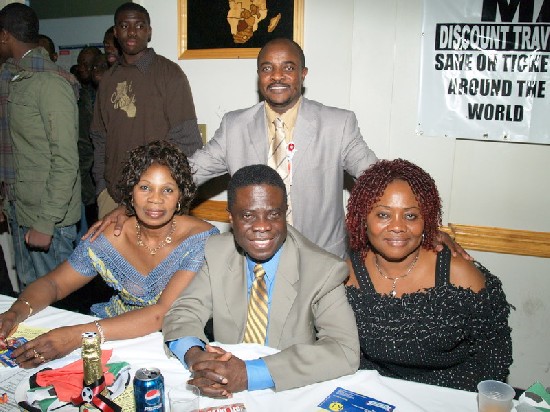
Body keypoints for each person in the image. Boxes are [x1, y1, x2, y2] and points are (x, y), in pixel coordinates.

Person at [0, 141, 218, 368]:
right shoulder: (109, 238)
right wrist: (15, 312)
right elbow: (55, 283)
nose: (155, 199)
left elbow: (161, 313)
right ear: (130, 195)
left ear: (180, 196)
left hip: (175, 342)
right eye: (145, 187)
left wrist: (75, 336)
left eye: (167, 190)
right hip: (109, 331)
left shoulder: (199, 239)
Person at [163, 164, 359, 398]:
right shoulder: (217, 252)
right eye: (247, 215)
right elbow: (184, 312)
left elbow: (343, 350)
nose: (262, 226)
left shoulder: (322, 270)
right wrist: (196, 357)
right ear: (230, 217)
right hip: (223, 388)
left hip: (286, 391)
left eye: (273, 214)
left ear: (285, 212)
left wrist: (249, 374)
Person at [345, 159, 513, 392]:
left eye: (411, 216)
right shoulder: (348, 276)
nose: (398, 227)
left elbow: (494, 356)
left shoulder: (459, 275)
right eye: (383, 215)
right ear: (363, 219)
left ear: (427, 220)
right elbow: (343, 351)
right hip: (379, 393)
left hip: (452, 395)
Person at [91, 2, 203, 219]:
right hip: (113, 198)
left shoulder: (169, 74)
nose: (132, 32)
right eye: (124, 26)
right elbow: (99, 139)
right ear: (115, 32)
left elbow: (187, 142)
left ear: (149, 31)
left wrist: (170, 193)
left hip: (157, 200)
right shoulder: (108, 80)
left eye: (139, 26)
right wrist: (101, 189)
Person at [0, 3, 81, 287]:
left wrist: (45, 222)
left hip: (49, 221)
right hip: (21, 211)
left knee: (55, 310)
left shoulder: (50, 83)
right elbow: (14, 150)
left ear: (5, 36)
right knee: (29, 303)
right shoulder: (15, 78)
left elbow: (66, 160)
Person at [76, 46, 102, 236]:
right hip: (85, 178)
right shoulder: (79, 93)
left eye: (87, 64)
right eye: (79, 64)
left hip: (98, 177)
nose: (81, 68)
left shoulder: (103, 92)